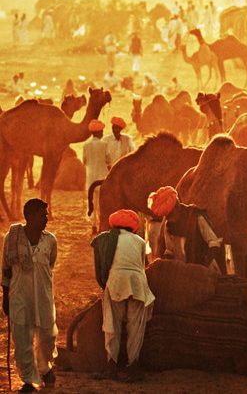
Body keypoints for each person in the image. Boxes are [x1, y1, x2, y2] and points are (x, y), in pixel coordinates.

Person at [2, 199, 57, 392]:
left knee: (46, 337)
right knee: (22, 339)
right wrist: (5, 297)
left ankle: (45, 368)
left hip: (43, 295)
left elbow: (50, 264)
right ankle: (28, 380)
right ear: (30, 216)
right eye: (43, 215)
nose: (46, 219)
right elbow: (6, 269)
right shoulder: (12, 238)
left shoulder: (50, 240)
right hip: (19, 296)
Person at [91, 210, 154, 381]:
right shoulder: (140, 241)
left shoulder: (106, 239)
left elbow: (101, 267)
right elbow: (143, 266)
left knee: (112, 323)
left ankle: (111, 366)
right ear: (133, 227)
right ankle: (133, 366)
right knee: (136, 326)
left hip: (116, 281)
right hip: (137, 282)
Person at [83, 120, 110, 235]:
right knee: (101, 203)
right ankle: (100, 226)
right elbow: (108, 161)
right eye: (102, 131)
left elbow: (84, 161)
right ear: (99, 132)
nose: (103, 133)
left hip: (90, 177)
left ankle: (93, 225)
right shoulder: (104, 145)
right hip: (102, 177)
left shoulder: (86, 145)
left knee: (92, 202)